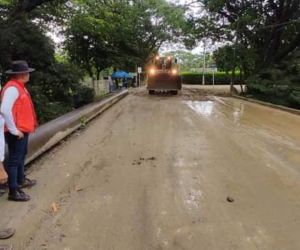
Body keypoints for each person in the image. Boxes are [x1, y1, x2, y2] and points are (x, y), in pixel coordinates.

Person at [0, 60, 37, 202]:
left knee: (21, 155)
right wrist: (14, 130)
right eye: (27, 72)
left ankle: (21, 179)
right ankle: (13, 190)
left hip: (22, 129)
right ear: (22, 74)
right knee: (14, 160)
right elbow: (4, 109)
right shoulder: (12, 88)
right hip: (17, 131)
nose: (29, 75)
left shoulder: (20, 87)